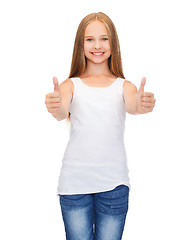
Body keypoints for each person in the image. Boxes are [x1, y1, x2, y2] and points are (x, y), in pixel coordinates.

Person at [45, 12, 156, 240]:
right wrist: (55, 105)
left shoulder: (124, 86)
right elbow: (60, 111)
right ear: (81, 45)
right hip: (74, 186)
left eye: (104, 39)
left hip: (114, 185)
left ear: (113, 44)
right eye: (90, 39)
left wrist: (143, 104)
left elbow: (134, 104)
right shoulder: (70, 86)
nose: (97, 45)